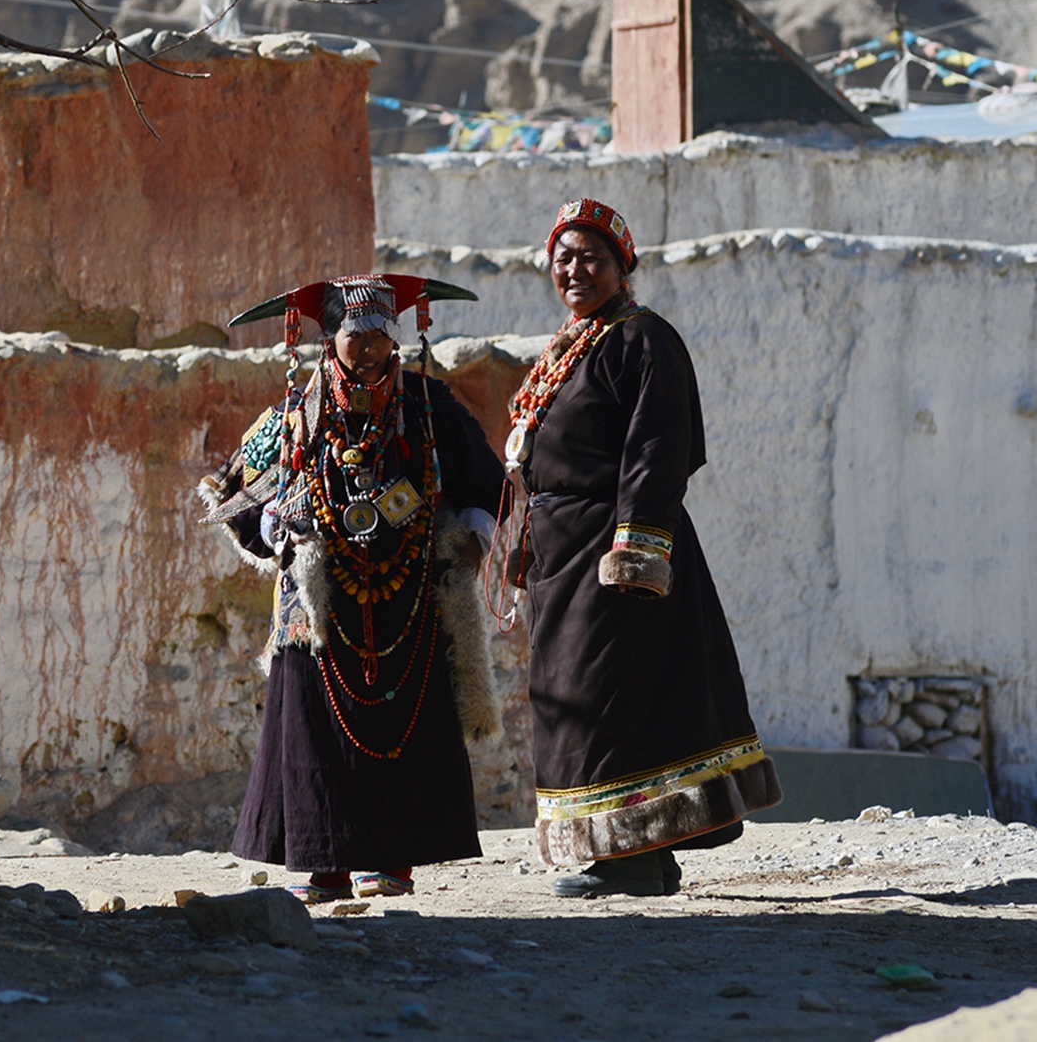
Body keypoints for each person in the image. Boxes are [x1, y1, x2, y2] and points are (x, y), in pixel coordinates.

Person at [501, 198, 780, 898]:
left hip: (612, 553)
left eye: (592, 256)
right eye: (563, 258)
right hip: (561, 559)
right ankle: (649, 856)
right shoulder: (576, 343)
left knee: (611, 702)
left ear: (623, 265)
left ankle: (624, 859)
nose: (575, 269)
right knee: (586, 698)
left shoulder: (643, 339)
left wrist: (637, 548)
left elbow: (658, 448)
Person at [199, 273, 504, 903]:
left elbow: (484, 479)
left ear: (394, 336)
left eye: (378, 333)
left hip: (410, 598)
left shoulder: (428, 404)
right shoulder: (295, 414)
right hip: (319, 605)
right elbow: (231, 494)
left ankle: (393, 862)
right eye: (353, 333)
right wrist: (277, 529)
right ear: (326, 338)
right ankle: (323, 866)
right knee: (315, 731)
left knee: (404, 727)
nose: (367, 346)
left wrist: (472, 534)